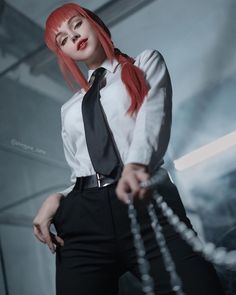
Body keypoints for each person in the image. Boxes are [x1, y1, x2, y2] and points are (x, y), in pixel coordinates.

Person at [33, 3, 225, 295]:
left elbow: (153, 117)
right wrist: (59, 198)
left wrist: (136, 165)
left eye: (76, 25)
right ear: (64, 54)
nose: (73, 37)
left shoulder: (144, 65)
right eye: (62, 40)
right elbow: (80, 170)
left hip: (144, 197)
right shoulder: (69, 109)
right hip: (85, 218)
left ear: (93, 22)